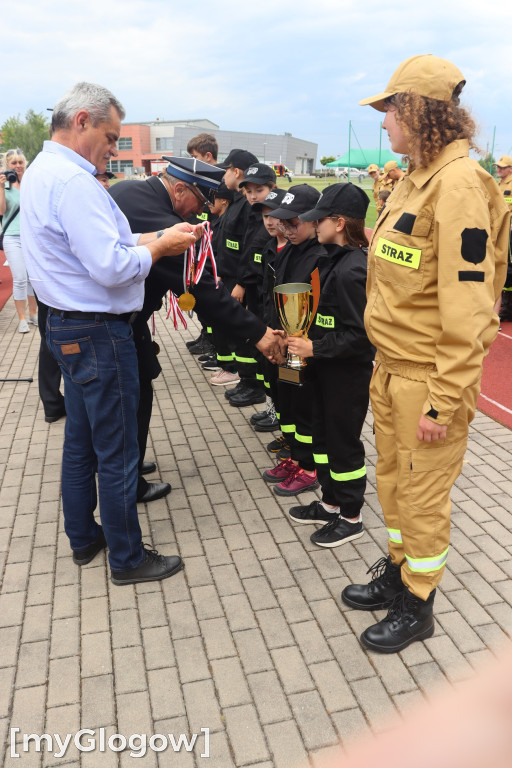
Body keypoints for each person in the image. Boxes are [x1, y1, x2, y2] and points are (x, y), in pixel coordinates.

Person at [341, 54, 509, 652]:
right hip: (392, 369)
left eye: (391, 110)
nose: (384, 121)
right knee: (393, 483)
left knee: (422, 495)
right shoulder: (417, 178)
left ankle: (419, 602)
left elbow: (470, 308)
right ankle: (398, 569)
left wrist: (443, 399)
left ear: (418, 111)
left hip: (427, 378)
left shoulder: (458, 186)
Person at [20, 81, 202, 585]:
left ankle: (84, 538)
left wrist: (159, 236)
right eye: (109, 136)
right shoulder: (74, 183)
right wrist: (160, 248)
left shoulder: (44, 171)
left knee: (81, 444)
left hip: (68, 326)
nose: (113, 148)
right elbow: (112, 266)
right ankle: (127, 557)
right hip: (98, 332)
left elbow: (112, 242)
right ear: (82, 120)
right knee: (118, 451)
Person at [109, 156, 286, 499]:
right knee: (129, 399)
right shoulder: (163, 221)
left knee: (137, 390)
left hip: (118, 322)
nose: (199, 212)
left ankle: (128, 462)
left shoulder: (129, 190)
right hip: (116, 327)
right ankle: (127, 480)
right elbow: (205, 294)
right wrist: (260, 334)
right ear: (179, 189)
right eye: (201, 201)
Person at [286, 183, 375, 547]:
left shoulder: (354, 269)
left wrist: (315, 347)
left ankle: (351, 516)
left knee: (342, 444)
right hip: (323, 367)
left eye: (319, 219)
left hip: (346, 375)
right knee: (322, 438)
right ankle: (330, 502)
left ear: (339, 223)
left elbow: (362, 337)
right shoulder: (330, 259)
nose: (313, 225)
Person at [262, 184, 329, 496]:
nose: (286, 230)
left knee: (305, 410)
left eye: (293, 223)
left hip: (306, 350)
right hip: (284, 346)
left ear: (315, 220)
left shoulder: (321, 257)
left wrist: (305, 344)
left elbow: (321, 310)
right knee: (287, 405)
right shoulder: (289, 250)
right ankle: (295, 456)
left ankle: (310, 468)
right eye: (283, 223)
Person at [0, 149, 38, 332]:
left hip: (32, 237)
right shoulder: (5, 186)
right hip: (12, 237)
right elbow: (1, 211)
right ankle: (22, 318)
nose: (18, 166)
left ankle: (33, 314)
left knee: (33, 278)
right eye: (13, 163)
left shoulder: (31, 183)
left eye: (20, 162)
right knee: (21, 278)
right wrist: (1, 188)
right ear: (7, 166)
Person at [493, 155, 512, 322]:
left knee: (508, 266)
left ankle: (507, 306)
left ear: (510, 169)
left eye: (502, 167)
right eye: (498, 166)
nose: (498, 169)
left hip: (510, 231)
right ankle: (505, 305)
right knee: (501, 264)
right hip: (499, 230)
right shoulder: (498, 184)